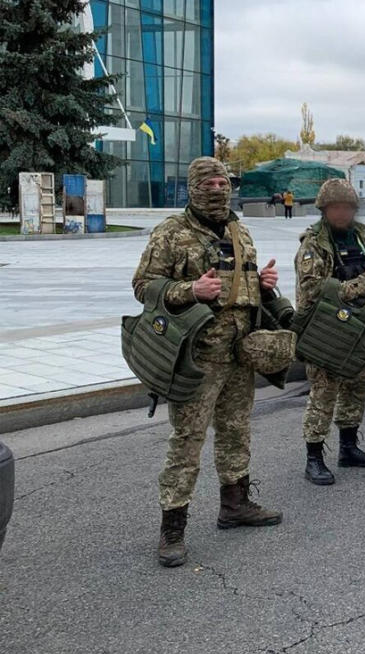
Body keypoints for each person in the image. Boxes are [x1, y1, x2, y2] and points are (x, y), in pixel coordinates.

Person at [133, 157, 283, 568]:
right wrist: (189, 290)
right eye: (209, 182)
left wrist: (263, 284)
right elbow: (143, 286)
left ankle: (234, 505)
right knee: (188, 441)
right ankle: (172, 528)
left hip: (239, 354)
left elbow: (242, 286)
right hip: (196, 358)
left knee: (236, 431)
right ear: (194, 187)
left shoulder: (240, 231)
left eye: (223, 181)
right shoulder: (172, 232)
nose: (218, 188)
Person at [294, 178, 365, 486]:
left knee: (357, 387)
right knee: (323, 394)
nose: (343, 213)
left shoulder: (360, 238)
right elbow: (310, 290)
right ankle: (314, 458)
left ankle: (348, 447)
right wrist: (351, 288)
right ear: (324, 209)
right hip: (327, 331)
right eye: (336, 208)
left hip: (360, 328)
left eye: (348, 207)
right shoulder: (314, 245)